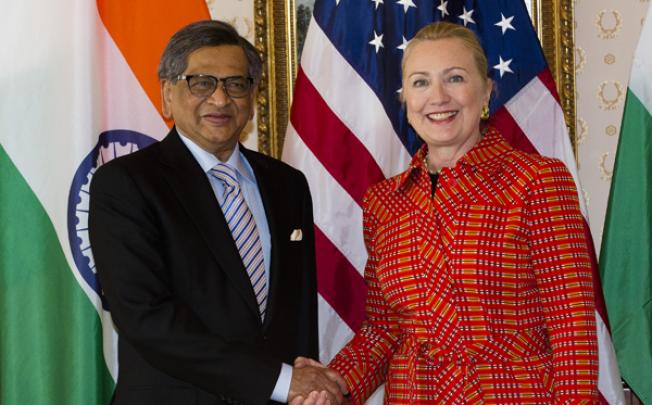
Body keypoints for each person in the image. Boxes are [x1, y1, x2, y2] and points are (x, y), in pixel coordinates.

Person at [295, 21, 599, 404]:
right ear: (405, 99)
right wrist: (328, 384)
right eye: (420, 82)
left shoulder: (537, 181)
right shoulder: (383, 202)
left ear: (486, 90)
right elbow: (384, 331)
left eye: (455, 78)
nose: (437, 96)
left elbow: (572, 325)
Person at [89, 20, 346, 405]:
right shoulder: (126, 184)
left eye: (236, 84)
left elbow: (298, 314)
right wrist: (280, 380)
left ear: (253, 95)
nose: (221, 100)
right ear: (167, 95)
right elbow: (145, 317)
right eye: (201, 82)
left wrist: (304, 385)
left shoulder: (288, 184)